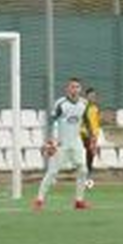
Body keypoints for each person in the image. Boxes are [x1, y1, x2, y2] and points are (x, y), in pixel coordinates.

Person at [34, 76, 90, 211]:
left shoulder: (84, 103)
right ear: (67, 89)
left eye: (77, 87)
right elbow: (51, 121)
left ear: (80, 89)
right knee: (52, 172)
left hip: (76, 142)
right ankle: (39, 200)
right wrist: (50, 141)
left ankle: (79, 201)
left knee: (83, 170)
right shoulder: (61, 104)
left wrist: (91, 138)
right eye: (72, 87)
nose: (74, 89)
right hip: (61, 143)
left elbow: (86, 121)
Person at [80, 87, 102, 188]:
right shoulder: (83, 107)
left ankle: (87, 177)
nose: (92, 98)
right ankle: (83, 177)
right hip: (84, 135)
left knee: (90, 156)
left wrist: (96, 135)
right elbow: (82, 122)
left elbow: (96, 123)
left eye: (94, 96)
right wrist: (87, 133)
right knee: (84, 156)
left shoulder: (96, 108)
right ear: (86, 97)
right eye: (90, 96)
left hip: (93, 136)